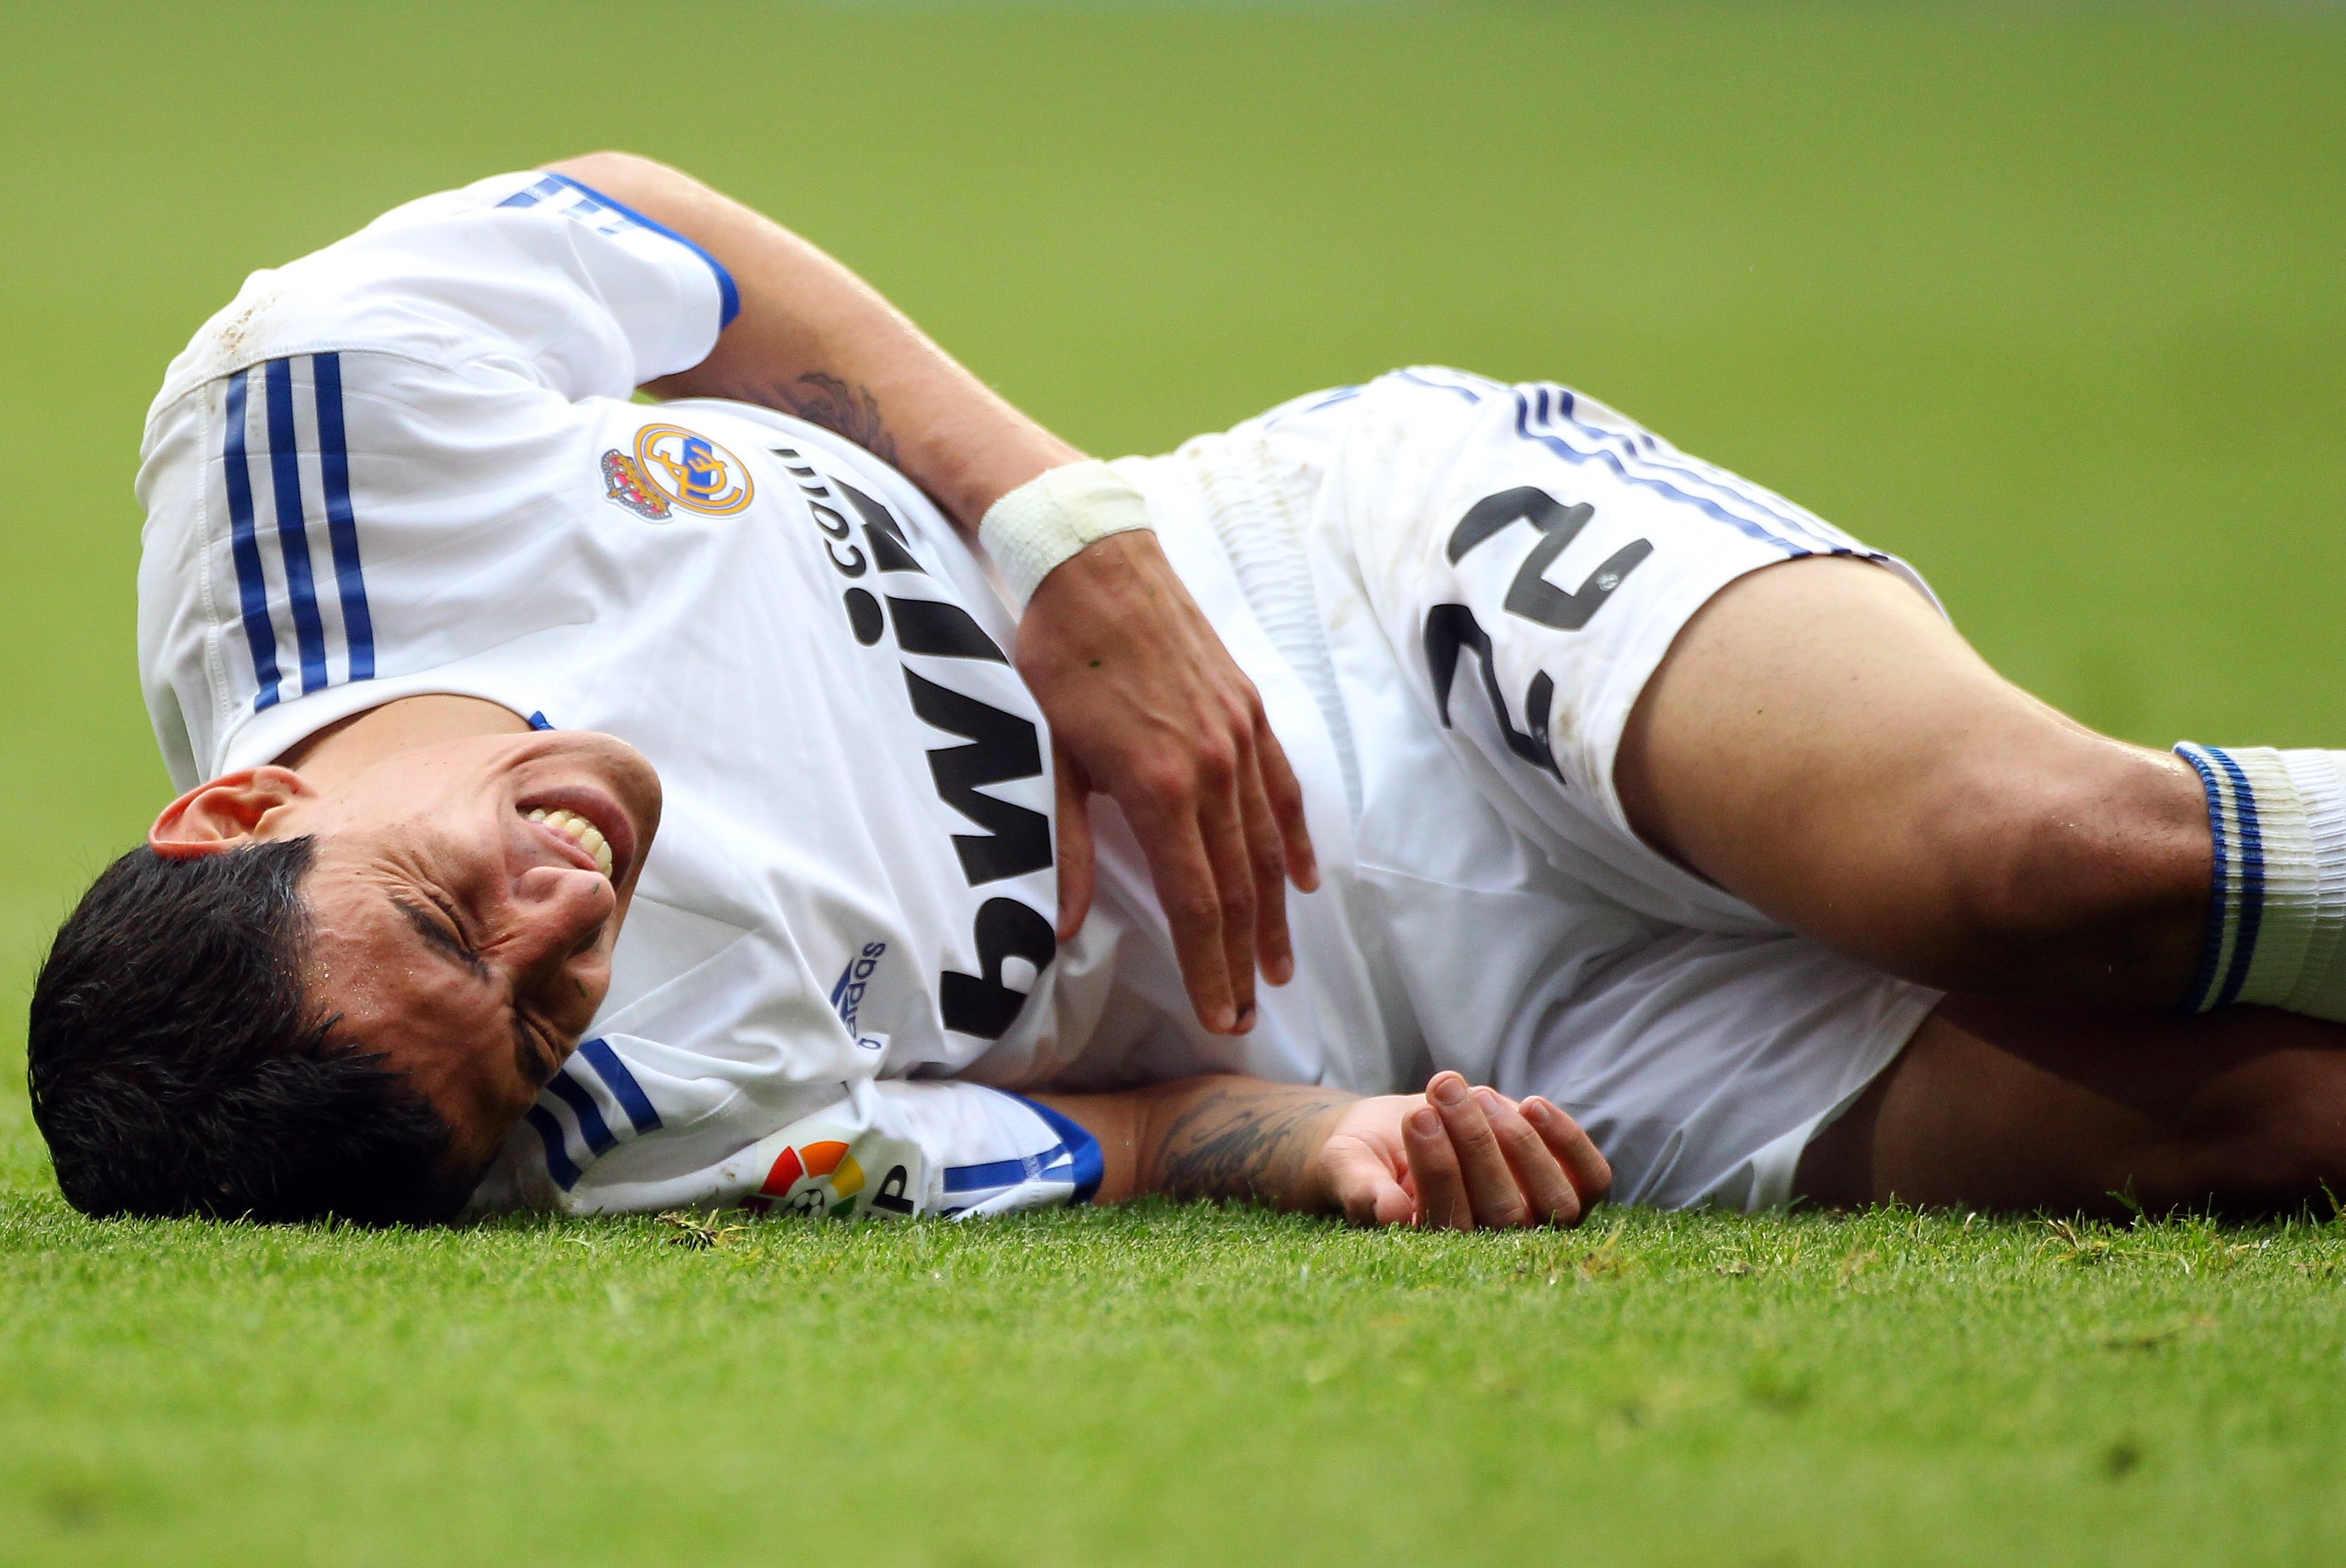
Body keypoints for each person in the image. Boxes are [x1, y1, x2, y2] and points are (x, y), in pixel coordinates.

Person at [27, 154, 2346, 1231]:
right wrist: (1323, 1133)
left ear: (234, 815)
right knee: (2249, 1134)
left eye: (451, 920)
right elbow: (1116, 1137)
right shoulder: (600, 1146)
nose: (566, 925)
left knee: (2039, 864)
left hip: (1351, 594)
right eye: (536, 1014)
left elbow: (672, 237)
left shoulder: (303, 443)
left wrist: (1060, 537)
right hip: (1453, 1030)